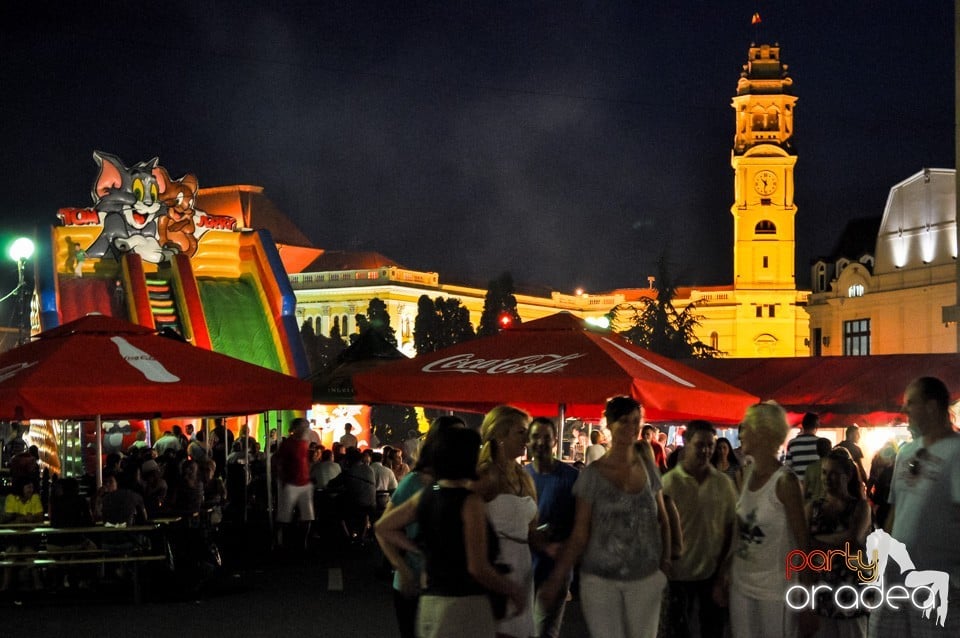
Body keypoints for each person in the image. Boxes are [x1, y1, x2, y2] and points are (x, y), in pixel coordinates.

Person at [540, 396, 671, 638]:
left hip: (644, 578)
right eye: (624, 422)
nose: (632, 429)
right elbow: (580, 533)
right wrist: (557, 578)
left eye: (636, 422)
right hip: (603, 580)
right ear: (609, 425)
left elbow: (662, 518)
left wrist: (665, 562)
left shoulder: (648, 470)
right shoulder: (592, 476)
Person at [376, 426, 525, 638]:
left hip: (431, 604)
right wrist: (513, 589)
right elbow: (477, 567)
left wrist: (420, 550)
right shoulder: (469, 502)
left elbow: (384, 527)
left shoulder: (428, 495)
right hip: (464, 606)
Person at [868, 376, 960, 637]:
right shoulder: (906, 452)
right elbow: (897, 510)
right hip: (897, 581)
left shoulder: (956, 453)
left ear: (931, 407)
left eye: (911, 403)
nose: (904, 410)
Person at [722, 401, 809, 638]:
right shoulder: (747, 474)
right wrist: (725, 571)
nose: (742, 432)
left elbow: (803, 542)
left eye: (747, 427)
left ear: (764, 433)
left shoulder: (785, 483)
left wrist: (808, 600)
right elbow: (740, 530)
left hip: (775, 590)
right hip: (741, 585)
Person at [383, 415, 468, 638]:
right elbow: (383, 529)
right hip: (415, 582)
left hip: (453, 586)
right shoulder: (416, 482)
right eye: (451, 438)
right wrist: (402, 564)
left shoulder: (466, 483)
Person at [662, 420, 737, 638]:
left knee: (713, 631)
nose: (706, 451)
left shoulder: (723, 484)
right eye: (700, 445)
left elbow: (731, 528)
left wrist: (724, 572)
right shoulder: (669, 483)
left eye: (710, 445)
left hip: (712, 574)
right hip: (677, 575)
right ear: (686, 443)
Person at [477, 405, 538, 638]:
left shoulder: (524, 476)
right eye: (521, 432)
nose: (527, 439)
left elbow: (531, 529)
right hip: (497, 563)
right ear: (500, 435)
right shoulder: (486, 474)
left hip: (522, 563)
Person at [803, 448, 871, 638]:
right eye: (824, 473)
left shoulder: (860, 507)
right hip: (822, 591)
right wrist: (838, 541)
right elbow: (802, 542)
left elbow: (853, 541)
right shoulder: (813, 508)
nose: (827, 478)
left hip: (851, 591)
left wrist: (815, 541)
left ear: (847, 475)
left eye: (833, 473)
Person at [524, 417, 579, 638]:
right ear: (528, 440)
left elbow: (580, 526)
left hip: (555, 567)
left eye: (547, 437)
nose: (541, 442)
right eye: (536, 436)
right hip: (524, 566)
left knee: (544, 631)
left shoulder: (572, 477)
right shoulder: (521, 475)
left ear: (555, 441)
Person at [275, 417, 315, 550]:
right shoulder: (288, 444)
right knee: (285, 516)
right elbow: (278, 462)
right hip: (291, 483)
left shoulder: (304, 443)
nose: (306, 430)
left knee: (307, 516)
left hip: (304, 483)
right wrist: (283, 479)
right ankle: (282, 542)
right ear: (297, 429)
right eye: (304, 427)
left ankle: (302, 542)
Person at [785, 412, 822, 484]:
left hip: (799, 488)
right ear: (816, 427)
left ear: (803, 426)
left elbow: (788, 469)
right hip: (816, 488)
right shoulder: (821, 443)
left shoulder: (793, 443)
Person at [800, 437, 833, 505]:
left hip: (814, 505)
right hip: (830, 505)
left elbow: (804, 492)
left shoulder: (810, 468)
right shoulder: (834, 467)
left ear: (817, 451)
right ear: (830, 450)